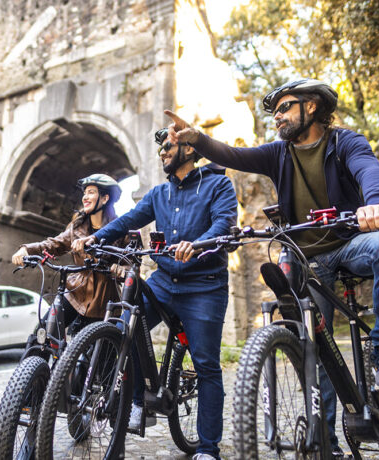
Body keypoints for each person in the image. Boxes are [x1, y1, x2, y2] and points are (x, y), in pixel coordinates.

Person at [164, 78, 379, 457]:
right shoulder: (278, 153)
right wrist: (197, 139)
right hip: (306, 260)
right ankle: (326, 445)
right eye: (275, 110)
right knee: (317, 349)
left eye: (285, 107)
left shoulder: (344, 142)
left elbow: (368, 170)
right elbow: (233, 155)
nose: (277, 116)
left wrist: (376, 202)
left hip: (347, 246)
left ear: (311, 107)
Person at [73, 130, 238, 460]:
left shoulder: (218, 184)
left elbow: (223, 223)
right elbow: (131, 220)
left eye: (168, 147)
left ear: (190, 149)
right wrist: (95, 238)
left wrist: (199, 244)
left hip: (205, 283)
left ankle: (207, 449)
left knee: (206, 365)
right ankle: (136, 401)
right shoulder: (159, 193)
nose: (162, 153)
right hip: (164, 279)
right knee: (124, 329)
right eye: (160, 148)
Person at [11, 174, 125, 335]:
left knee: (101, 354)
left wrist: (121, 269)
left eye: (91, 192)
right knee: (42, 334)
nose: (85, 197)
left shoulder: (122, 230)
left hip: (105, 301)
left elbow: (132, 264)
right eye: (84, 193)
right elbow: (54, 244)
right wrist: (27, 249)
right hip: (75, 293)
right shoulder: (76, 227)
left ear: (105, 198)